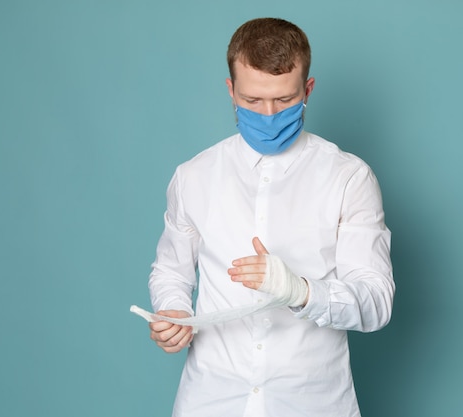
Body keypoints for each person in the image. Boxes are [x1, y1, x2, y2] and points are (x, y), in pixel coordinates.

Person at [147, 17, 394, 417]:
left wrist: (300, 291)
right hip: (211, 400)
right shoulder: (193, 176)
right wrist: (174, 310)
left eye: (284, 100)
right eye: (252, 101)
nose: (268, 114)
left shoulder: (349, 178)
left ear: (307, 89)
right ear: (231, 91)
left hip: (312, 402)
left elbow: (377, 302)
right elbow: (171, 271)